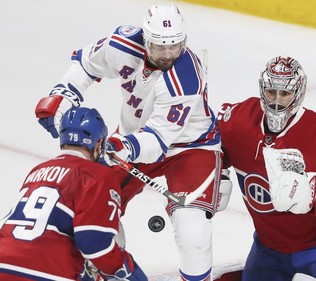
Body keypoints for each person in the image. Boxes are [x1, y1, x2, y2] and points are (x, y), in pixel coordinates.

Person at [34, 4, 226, 280]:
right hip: (131, 138)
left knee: (191, 230)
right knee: (93, 207)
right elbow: (86, 63)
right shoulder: (122, 44)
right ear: (146, 40)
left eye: (176, 46)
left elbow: (157, 141)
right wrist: (63, 95)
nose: (169, 54)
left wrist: (119, 146)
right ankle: (103, 272)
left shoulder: (185, 79)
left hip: (192, 148)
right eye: (160, 47)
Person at [217, 56, 316, 281]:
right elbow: (205, 142)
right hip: (270, 246)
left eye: (285, 94)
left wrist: (309, 191)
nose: (277, 101)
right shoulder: (239, 120)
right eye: (271, 92)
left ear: (298, 93)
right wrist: (212, 171)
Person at [0, 107, 147, 281]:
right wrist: (128, 269)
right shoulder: (98, 175)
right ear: (99, 143)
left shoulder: (37, 170)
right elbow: (94, 242)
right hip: (47, 271)